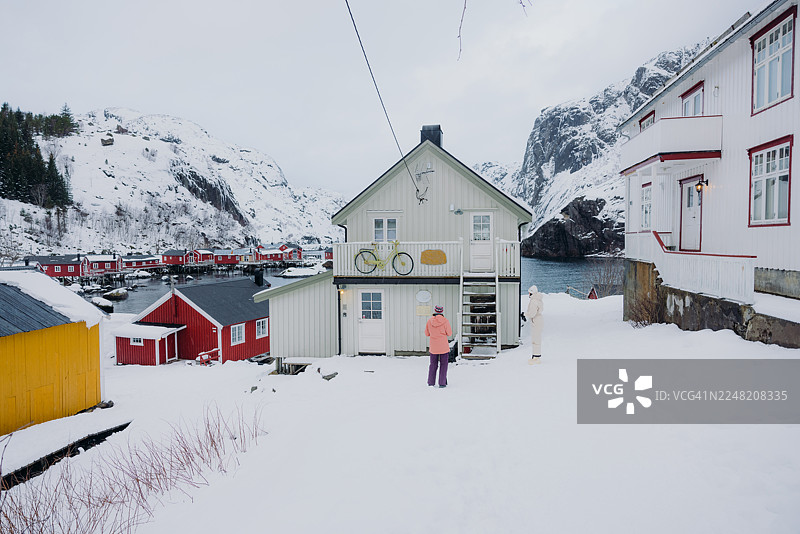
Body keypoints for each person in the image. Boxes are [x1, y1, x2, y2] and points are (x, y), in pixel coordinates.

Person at [425, 305, 452, 387]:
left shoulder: (429, 321)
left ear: (435, 311)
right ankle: (442, 383)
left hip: (433, 347)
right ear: (442, 311)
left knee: (433, 365)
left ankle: (431, 382)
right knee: (444, 365)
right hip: (443, 347)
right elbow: (449, 333)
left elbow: (427, 333)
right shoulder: (445, 321)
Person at [525, 285, 543, 364]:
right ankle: (536, 355)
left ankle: (536, 357)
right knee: (537, 338)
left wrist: (525, 314)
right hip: (538, 320)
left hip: (536, 320)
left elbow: (532, 313)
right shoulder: (538, 300)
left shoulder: (533, 301)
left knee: (535, 339)